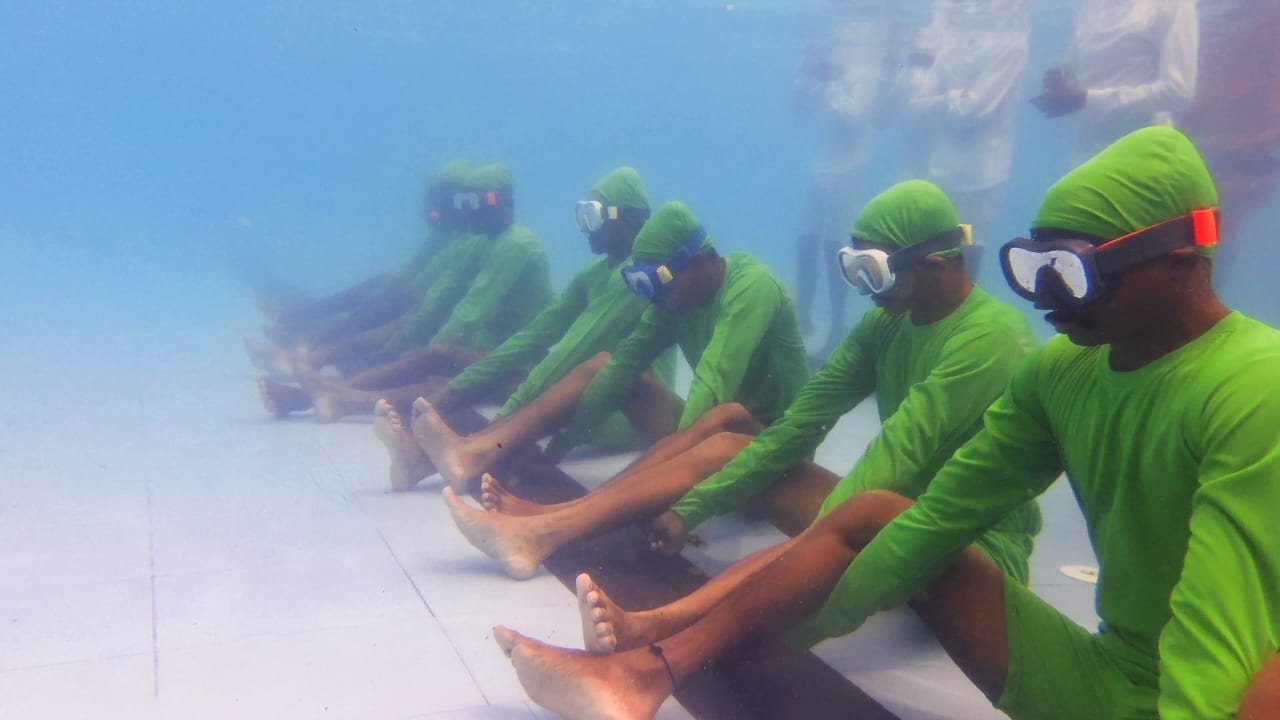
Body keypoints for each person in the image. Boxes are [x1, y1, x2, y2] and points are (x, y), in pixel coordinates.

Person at [492, 127, 1280, 720]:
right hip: (1112, 672)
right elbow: (929, 520)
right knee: (877, 519)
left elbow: (1217, 639)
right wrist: (750, 626)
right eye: (1032, 270)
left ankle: (650, 633)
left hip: (1215, 688)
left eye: (1068, 273)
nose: (1045, 299)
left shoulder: (1253, 386)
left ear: (1184, 256)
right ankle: (648, 666)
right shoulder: (1062, 368)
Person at [440, 180, 1043, 593]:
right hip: (884, 507)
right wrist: (677, 502)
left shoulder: (987, 339)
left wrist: (752, 562)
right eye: (853, 270)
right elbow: (809, 414)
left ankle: (558, 525)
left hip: (970, 548)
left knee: (722, 419)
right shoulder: (889, 323)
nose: (865, 288)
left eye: (873, 271)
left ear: (935, 261)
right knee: (624, 378)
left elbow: (885, 460)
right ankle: (550, 512)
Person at [411, 201, 809, 515]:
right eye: (643, 284)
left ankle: (576, 511)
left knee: (724, 415)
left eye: (657, 282)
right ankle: (473, 453)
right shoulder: (671, 299)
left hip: (775, 460)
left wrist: (675, 496)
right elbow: (619, 372)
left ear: (699, 261)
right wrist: (557, 451)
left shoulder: (751, 288)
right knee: (604, 365)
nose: (652, 296)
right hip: (710, 439)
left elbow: (711, 384)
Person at [372, 166, 677, 490]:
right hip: (600, 397)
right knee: (519, 380)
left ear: (626, 218)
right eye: (582, 215)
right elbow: (535, 334)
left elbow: (571, 350)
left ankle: (464, 452)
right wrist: (457, 387)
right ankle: (424, 458)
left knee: (547, 390)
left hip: (630, 419)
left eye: (594, 216)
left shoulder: (634, 278)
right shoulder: (594, 272)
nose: (586, 228)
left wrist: (501, 422)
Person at [257, 163, 553, 421]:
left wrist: (426, 348)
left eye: (479, 200)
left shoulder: (516, 245)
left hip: (515, 357)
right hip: (484, 344)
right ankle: (322, 380)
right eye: (467, 200)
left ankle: (318, 382)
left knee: (434, 368)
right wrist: (413, 342)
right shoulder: (484, 240)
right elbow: (442, 291)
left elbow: (472, 311)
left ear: (502, 200)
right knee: (425, 353)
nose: (470, 208)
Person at [243, 159, 473, 377]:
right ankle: (300, 327)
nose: (431, 208)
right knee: (384, 286)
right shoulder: (446, 234)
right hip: (433, 308)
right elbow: (414, 271)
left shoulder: (471, 239)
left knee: (395, 303)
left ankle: (309, 343)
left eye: (439, 199)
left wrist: (406, 299)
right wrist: (391, 291)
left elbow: (453, 290)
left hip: (447, 318)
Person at [898, 0, 1030, 276]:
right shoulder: (950, 32)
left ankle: (960, 316)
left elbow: (970, 111)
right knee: (932, 262)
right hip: (940, 169)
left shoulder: (1011, 39)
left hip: (979, 178)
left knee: (962, 263)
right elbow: (913, 105)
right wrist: (944, 97)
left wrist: (934, 102)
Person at [794, 17, 891, 360]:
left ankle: (837, 326)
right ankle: (801, 316)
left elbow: (855, 114)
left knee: (836, 244)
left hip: (850, 164)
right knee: (807, 237)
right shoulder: (831, 50)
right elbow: (800, 108)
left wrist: (829, 79)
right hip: (821, 162)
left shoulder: (868, 52)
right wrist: (809, 78)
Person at [1032, 0, 1199, 159]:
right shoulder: (1091, 6)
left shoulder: (1171, 5)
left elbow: (1178, 92)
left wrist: (1086, 99)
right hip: (1087, 156)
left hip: (1144, 156)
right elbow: (1077, 67)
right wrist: (1061, 78)